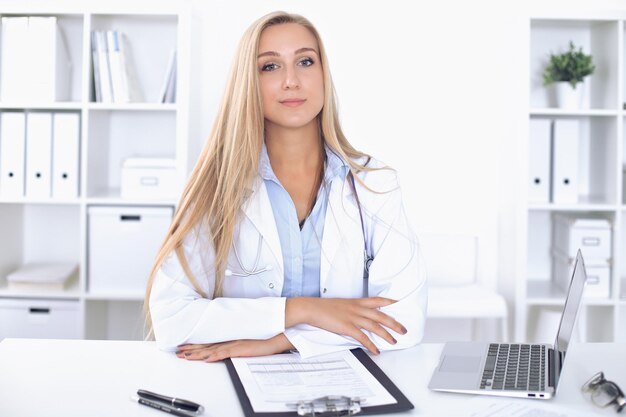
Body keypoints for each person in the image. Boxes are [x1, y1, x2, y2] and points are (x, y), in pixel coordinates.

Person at [145, 11, 427, 361]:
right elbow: (172, 320)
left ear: (324, 74)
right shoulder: (216, 188)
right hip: (237, 382)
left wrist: (279, 341)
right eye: (270, 66)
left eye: (305, 61)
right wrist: (301, 310)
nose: (291, 81)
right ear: (248, 82)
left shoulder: (374, 184)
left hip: (345, 382)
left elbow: (404, 322)